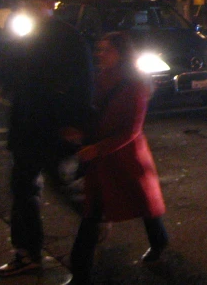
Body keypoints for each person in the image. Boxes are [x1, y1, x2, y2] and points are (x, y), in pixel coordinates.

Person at [0, 0, 94, 278]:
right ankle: (27, 251)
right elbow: (9, 75)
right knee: (24, 187)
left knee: (58, 181)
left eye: (35, 3)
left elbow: (83, 83)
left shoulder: (68, 37)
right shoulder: (21, 36)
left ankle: (95, 216)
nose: (29, 8)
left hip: (53, 125)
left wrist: (73, 123)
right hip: (27, 124)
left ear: (47, 6)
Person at [65, 31, 168, 285]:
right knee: (91, 215)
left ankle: (159, 242)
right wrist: (80, 132)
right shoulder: (100, 78)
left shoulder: (135, 84)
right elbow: (94, 114)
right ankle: (79, 273)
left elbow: (132, 130)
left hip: (126, 158)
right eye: (98, 49)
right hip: (102, 160)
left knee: (145, 206)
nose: (99, 54)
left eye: (106, 50)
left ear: (120, 53)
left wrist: (97, 148)